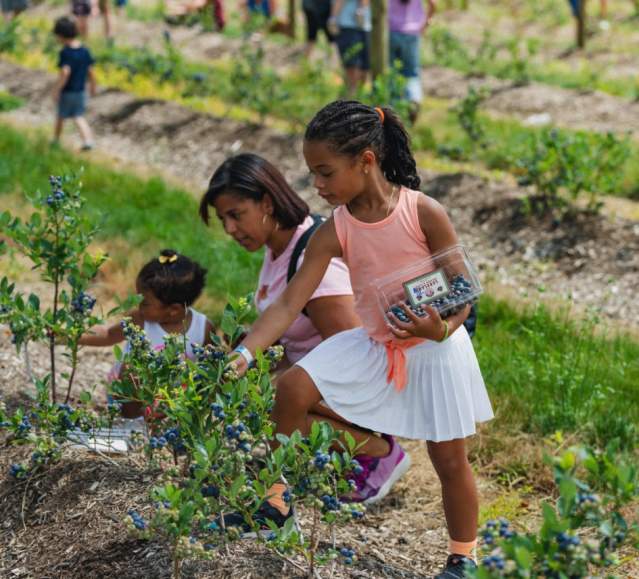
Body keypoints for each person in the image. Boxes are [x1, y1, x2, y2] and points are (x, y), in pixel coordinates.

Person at [229, 101, 493, 578]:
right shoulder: (334, 231)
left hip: (435, 348)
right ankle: (277, 505)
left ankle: (463, 556)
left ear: (366, 160)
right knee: (291, 389)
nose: (318, 186)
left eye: (325, 173)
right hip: (375, 344)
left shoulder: (423, 212)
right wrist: (248, 351)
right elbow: (288, 304)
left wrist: (438, 328)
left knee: (448, 458)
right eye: (314, 174)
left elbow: (464, 291)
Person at [199, 153, 411, 505]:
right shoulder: (281, 247)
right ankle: (317, 449)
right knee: (252, 386)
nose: (230, 230)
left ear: (267, 203)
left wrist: (278, 388)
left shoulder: (314, 262)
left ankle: (378, 453)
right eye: (224, 220)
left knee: (267, 396)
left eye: (236, 215)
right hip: (323, 383)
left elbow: (358, 349)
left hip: (366, 385)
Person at [79, 249, 215, 417]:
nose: (138, 304)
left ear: (174, 310)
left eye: (144, 302)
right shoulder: (139, 320)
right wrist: (75, 336)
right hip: (128, 394)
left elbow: (212, 369)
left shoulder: (203, 329)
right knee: (134, 369)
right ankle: (129, 422)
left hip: (171, 400)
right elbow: (108, 334)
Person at [52, 16, 96, 151]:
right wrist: (93, 86)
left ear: (61, 35)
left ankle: (56, 140)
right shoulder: (84, 50)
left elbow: (65, 72)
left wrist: (57, 89)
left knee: (61, 116)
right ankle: (88, 140)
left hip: (68, 91)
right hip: (81, 91)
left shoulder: (65, 52)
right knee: (78, 116)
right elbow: (90, 71)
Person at [389, 0, 436, 123]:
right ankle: (414, 100)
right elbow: (433, 4)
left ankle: (393, 112)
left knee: (392, 73)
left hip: (392, 31)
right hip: (412, 33)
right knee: (411, 74)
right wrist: (426, 23)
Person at [328, 0, 371, 95]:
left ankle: (355, 98)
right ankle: (353, 98)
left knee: (358, 67)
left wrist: (333, 18)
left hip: (357, 25)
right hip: (353, 24)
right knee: (354, 67)